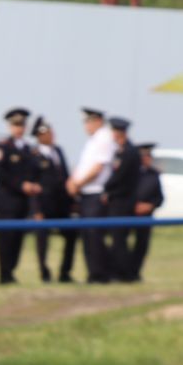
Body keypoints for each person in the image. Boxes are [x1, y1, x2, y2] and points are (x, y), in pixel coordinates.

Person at [0, 107, 40, 284]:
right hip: (7, 201)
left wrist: (33, 185)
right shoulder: (3, 147)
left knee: (18, 238)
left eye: (22, 125)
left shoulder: (28, 149)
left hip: (22, 202)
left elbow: (34, 171)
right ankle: (4, 274)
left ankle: (11, 271)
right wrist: (21, 185)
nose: (19, 128)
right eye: (16, 125)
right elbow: (0, 173)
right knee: (6, 238)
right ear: (10, 126)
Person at [68, 106, 117, 283]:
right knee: (88, 236)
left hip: (95, 193)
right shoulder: (94, 140)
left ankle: (100, 274)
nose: (85, 126)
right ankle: (93, 272)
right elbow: (83, 165)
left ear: (96, 121)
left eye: (87, 122)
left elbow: (98, 168)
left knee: (95, 235)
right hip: (86, 193)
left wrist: (78, 184)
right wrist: (73, 181)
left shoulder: (104, 138)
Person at [30, 116, 76, 283]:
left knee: (71, 235)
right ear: (40, 135)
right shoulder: (33, 155)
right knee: (42, 241)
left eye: (51, 131)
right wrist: (36, 210)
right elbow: (33, 185)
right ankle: (45, 273)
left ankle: (65, 272)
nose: (51, 135)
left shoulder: (58, 151)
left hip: (62, 205)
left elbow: (65, 176)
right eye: (48, 133)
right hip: (44, 205)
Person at [101, 117, 139, 281]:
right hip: (119, 200)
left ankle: (123, 274)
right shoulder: (121, 150)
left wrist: (106, 188)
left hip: (122, 201)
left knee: (119, 239)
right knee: (118, 238)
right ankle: (120, 272)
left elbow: (119, 176)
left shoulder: (129, 152)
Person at [124, 142, 165, 282]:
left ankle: (135, 273)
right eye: (143, 156)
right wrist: (132, 206)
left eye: (148, 155)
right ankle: (125, 272)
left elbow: (160, 198)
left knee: (142, 245)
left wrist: (150, 206)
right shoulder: (130, 174)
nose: (146, 158)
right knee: (123, 244)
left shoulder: (154, 175)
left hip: (146, 216)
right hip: (129, 214)